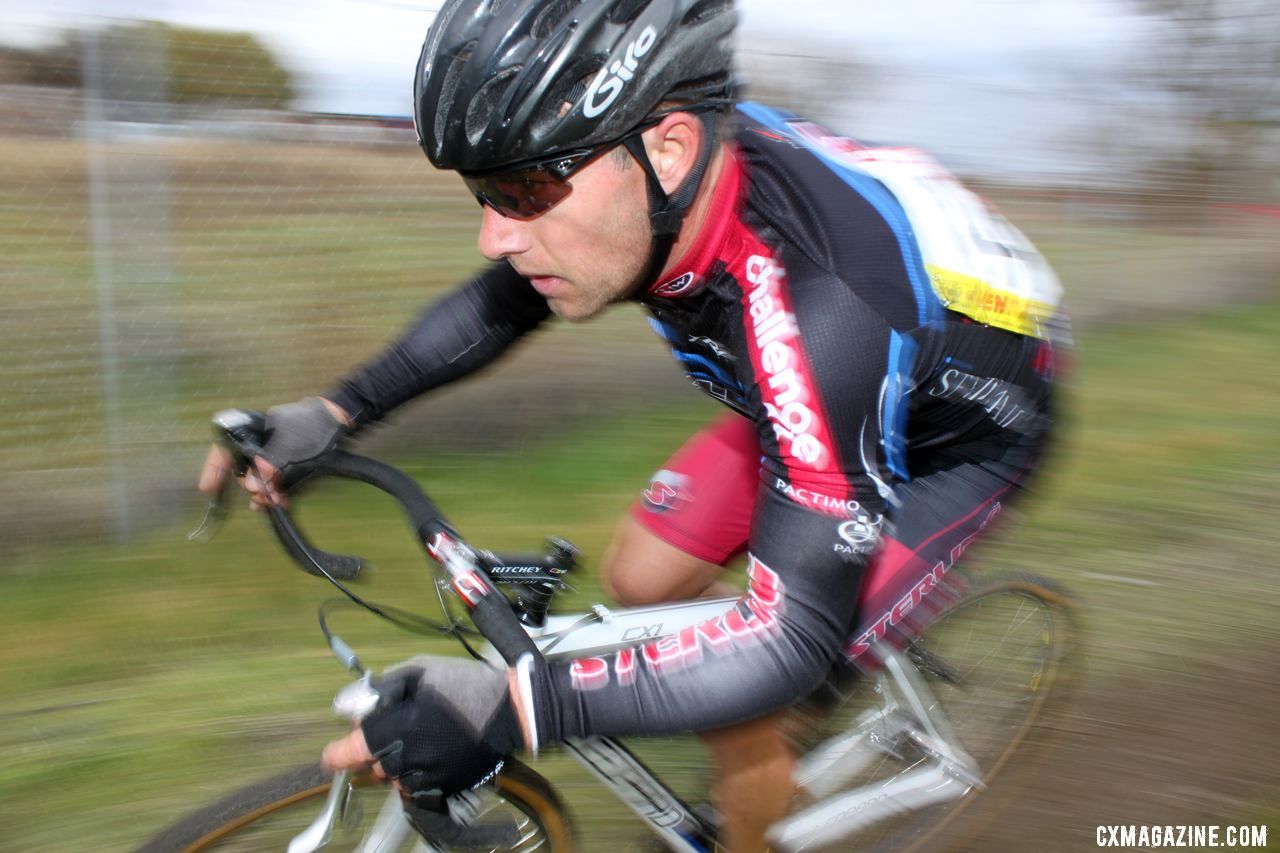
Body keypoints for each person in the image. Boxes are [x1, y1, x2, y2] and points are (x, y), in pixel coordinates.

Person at [199, 1, 1069, 849]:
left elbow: (789, 637)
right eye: (481, 191)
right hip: (810, 397)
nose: (494, 236)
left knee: (750, 706)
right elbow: (504, 302)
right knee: (642, 575)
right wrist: (334, 411)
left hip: (959, 443)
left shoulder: (824, 301)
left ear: (670, 147)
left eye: (526, 187)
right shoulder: (661, 192)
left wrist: (514, 708)